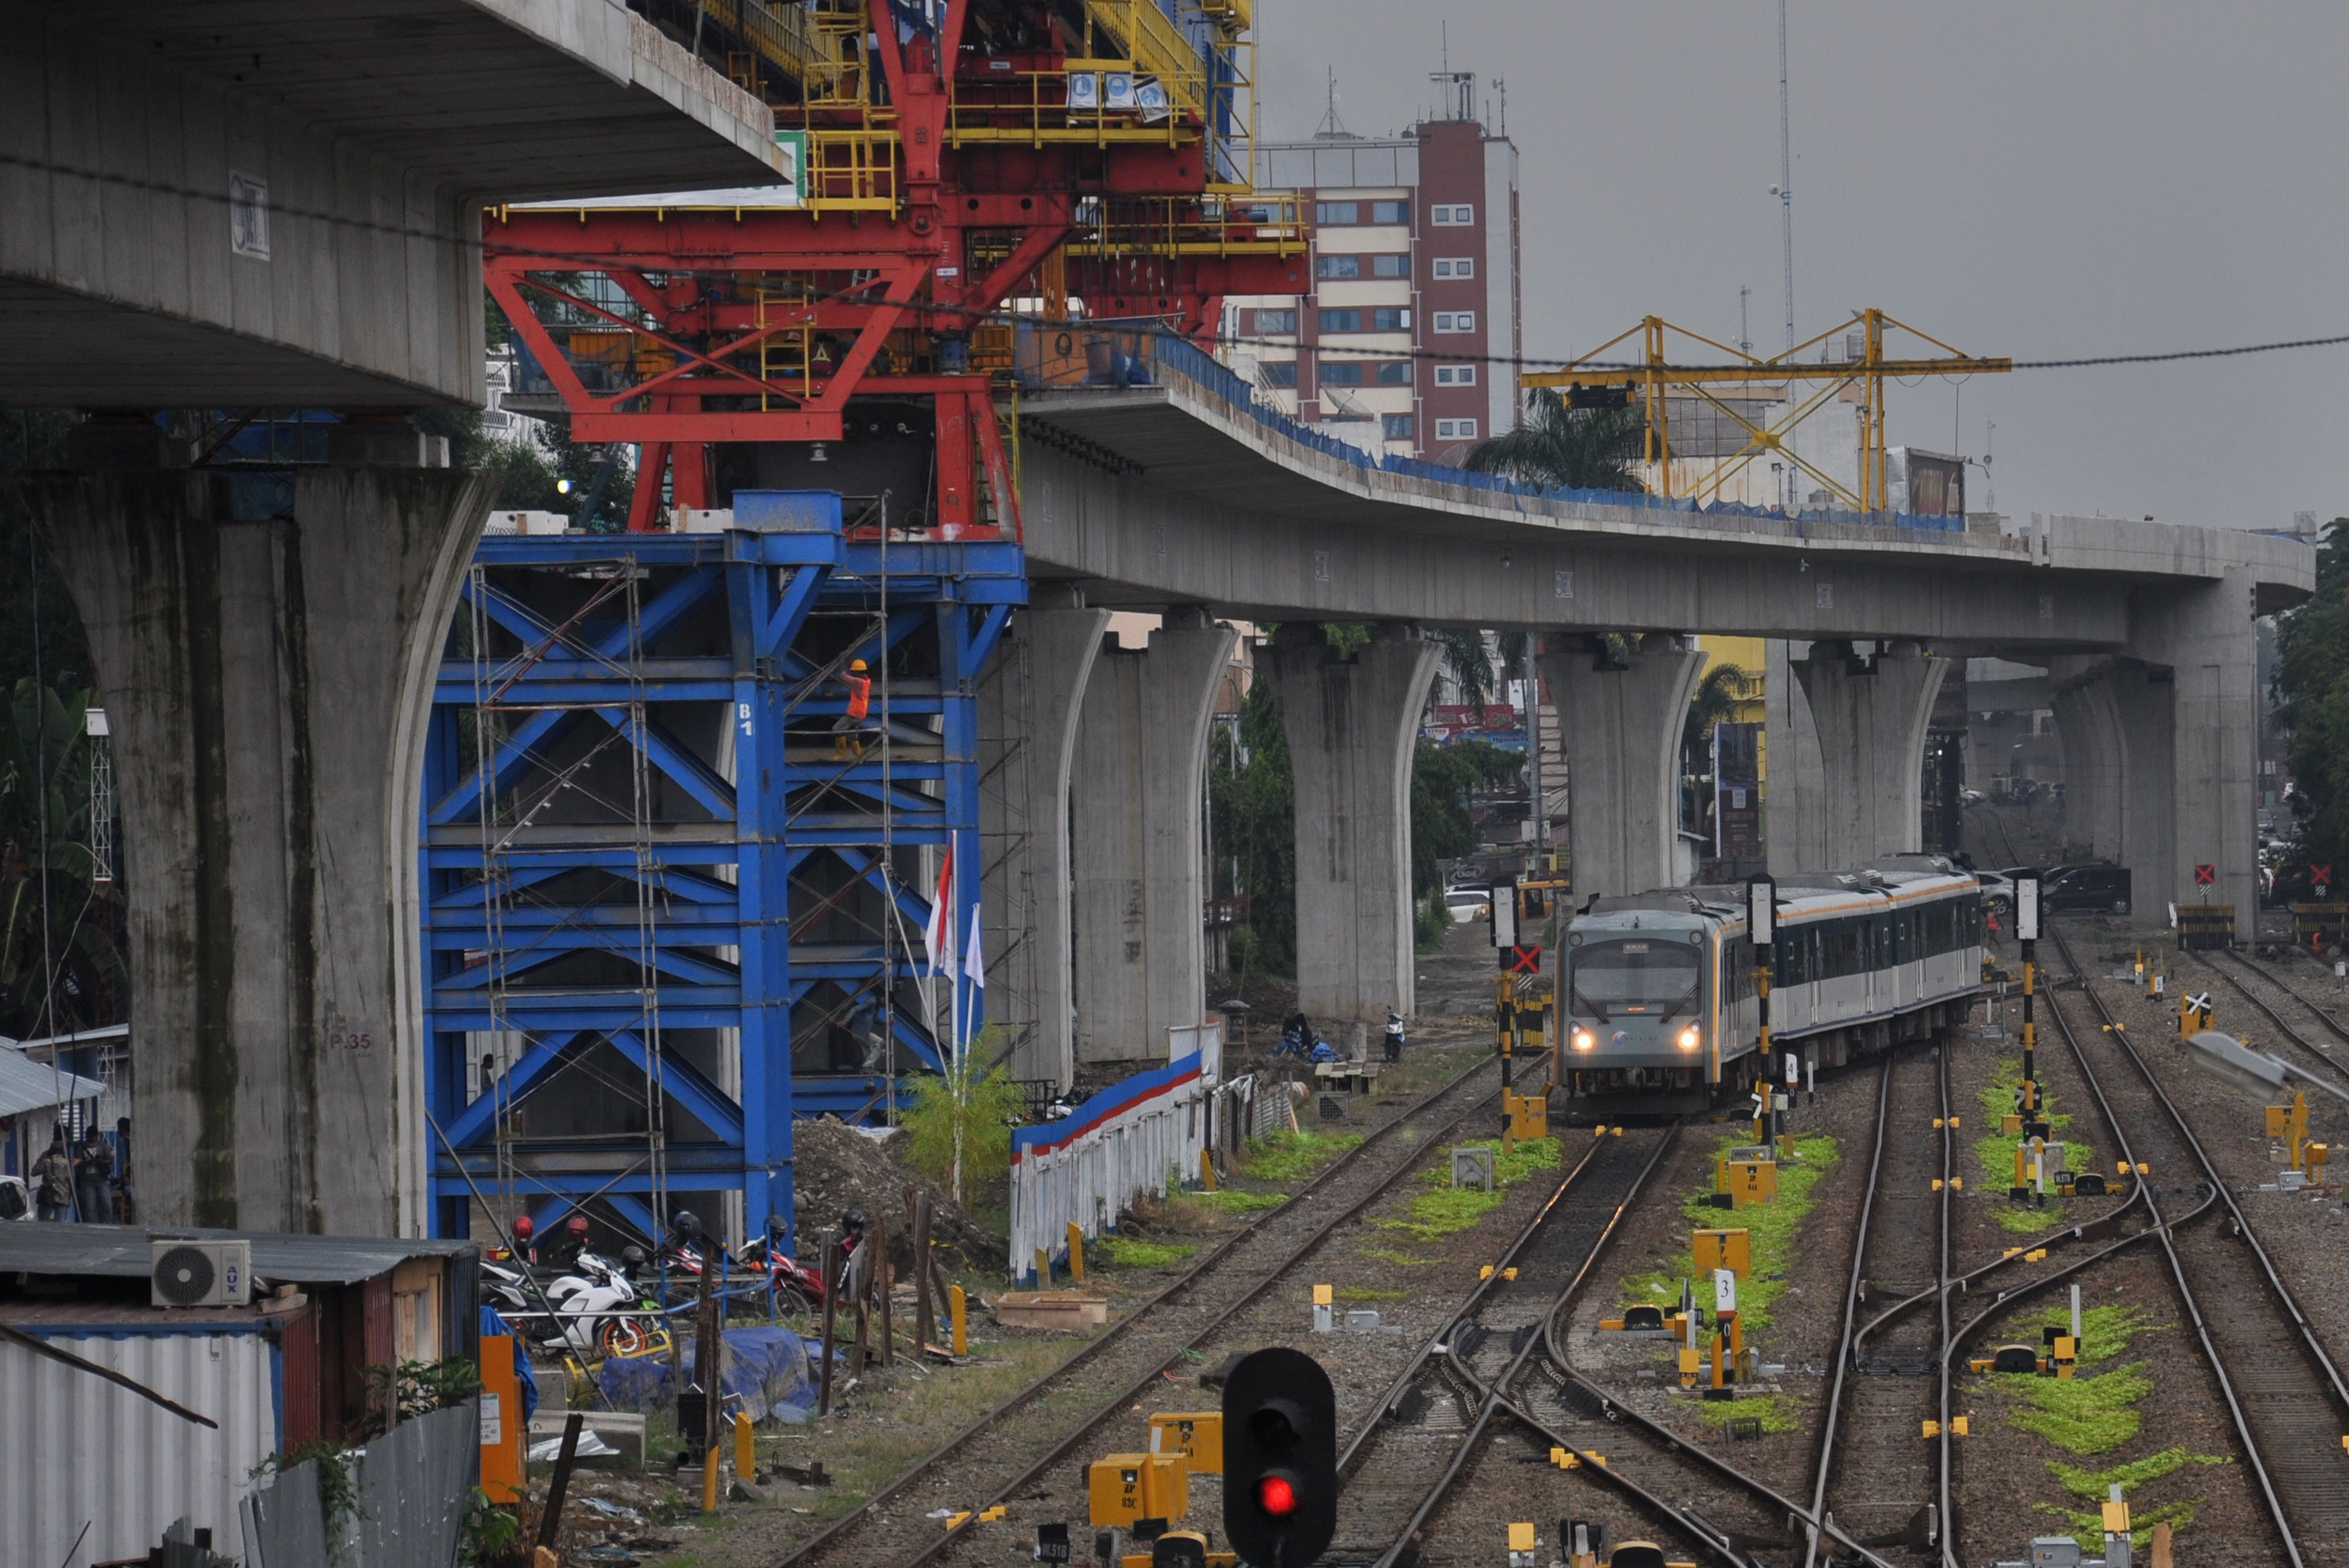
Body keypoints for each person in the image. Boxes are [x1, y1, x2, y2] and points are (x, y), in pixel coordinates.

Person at [833, 657, 874, 761]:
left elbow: (844, 676)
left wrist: (841, 662)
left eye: (853, 671)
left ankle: (840, 754)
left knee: (837, 729)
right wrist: (850, 658)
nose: (852, 672)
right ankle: (858, 756)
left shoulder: (857, 682)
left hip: (854, 712)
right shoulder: (867, 680)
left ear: (857, 672)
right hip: (861, 713)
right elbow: (855, 672)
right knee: (852, 733)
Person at [73, 1129, 113, 1226]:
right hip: (87, 1180)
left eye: (94, 1136)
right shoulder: (81, 1148)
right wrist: (87, 1163)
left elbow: (110, 1160)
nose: (92, 1138)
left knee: (107, 1204)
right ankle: (93, 1225)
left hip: (102, 1179)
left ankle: (108, 1223)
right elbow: (77, 1164)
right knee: (90, 1206)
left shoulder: (103, 1146)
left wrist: (100, 1161)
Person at [32, 1133, 73, 1222]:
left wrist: (40, 1159)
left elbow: (33, 1173)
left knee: (42, 1220)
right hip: (63, 1196)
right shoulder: (67, 1163)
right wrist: (69, 1198)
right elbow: (71, 1182)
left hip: (48, 1196)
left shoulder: (46, 1162)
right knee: (61, 1222)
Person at [111, 1117, 134, 1223]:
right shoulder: (136, 1140)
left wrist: (124, 1175)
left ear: (123, 1129)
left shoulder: (122, 1142)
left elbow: (124, 1161)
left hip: (128, 1175)